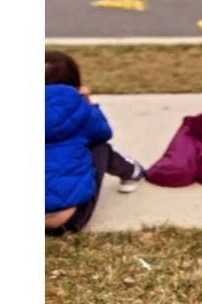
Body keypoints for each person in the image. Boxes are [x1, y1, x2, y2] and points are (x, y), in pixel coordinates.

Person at [45, 51, 146, 236]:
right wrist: (87, 103)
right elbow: (103, 132)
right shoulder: (78, 107)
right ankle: (131, 172)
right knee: (99, 147)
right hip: (65, 221)